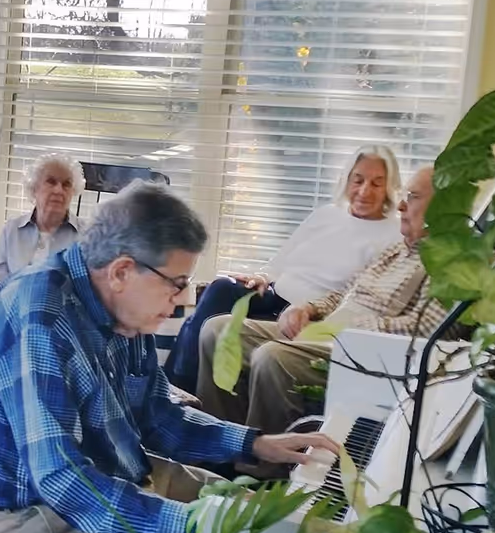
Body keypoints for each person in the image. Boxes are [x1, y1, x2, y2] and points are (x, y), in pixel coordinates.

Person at [0, 181, 338, 533]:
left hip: (120, 470)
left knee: (273, 524)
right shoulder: (39, 317)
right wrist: (195, 527)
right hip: (40, 519)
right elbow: (62, 480)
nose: (180, 303)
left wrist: (258, 444)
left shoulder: (123, 309)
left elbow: (160, 416)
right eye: (177, 285)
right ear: (122, 271)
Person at [196, 165, 448, 434]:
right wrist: (309, 309)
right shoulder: (399, 248)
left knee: (274, 357)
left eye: (412, 196)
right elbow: (346, 292)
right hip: (327, 334)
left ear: (445, 206)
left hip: (361, 352)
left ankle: (261, 464)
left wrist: (346, 330)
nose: (400, 205)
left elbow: (428, 331)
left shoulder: (450, 262)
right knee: (218, 330)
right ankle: (221, 441)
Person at [163, 145, 403, 393]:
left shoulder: (393, 234)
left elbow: (361, 296)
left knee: (211, 325)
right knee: (222, 288)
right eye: (358, 180)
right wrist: (262, 277)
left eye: (376, 183)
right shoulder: (327, 215)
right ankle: (171, 387)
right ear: (347, 180)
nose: (364, 191)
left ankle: (178, 389)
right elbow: (283, 260)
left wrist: (313, 312)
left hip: (308, 314)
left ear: (389, 187)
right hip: (274, 295)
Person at [0, 153, 84, 302]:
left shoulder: (87, 236)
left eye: (66, 184)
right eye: (51, 182)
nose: (59, 190)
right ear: (34, 188)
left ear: (74, 192)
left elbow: (91, 294)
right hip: (12, 318)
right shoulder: (12, 230)